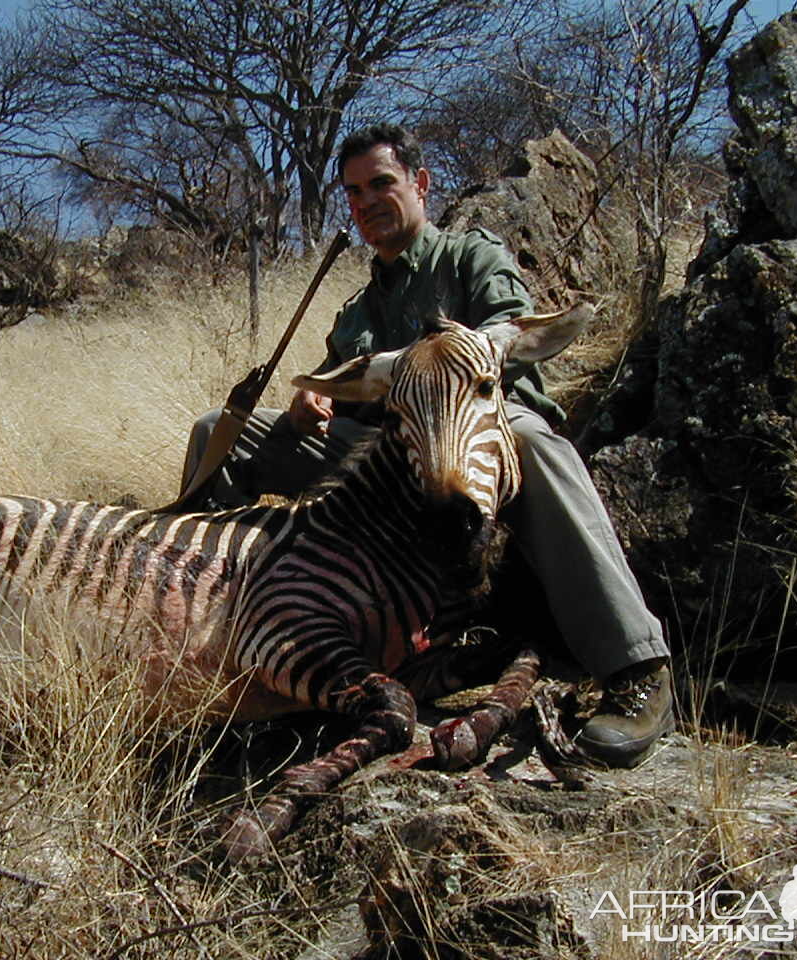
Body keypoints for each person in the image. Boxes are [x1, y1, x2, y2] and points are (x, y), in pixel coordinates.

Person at [181, 123, 673, 768]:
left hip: (478, 436)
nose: (367, 202)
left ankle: (636, 666)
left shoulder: (471, 257)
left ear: (419, 183)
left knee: (534, 440)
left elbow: (507, 329)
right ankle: (207, 621)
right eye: (354, 192)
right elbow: (338, 384)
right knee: (220, 428)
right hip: (389, 460)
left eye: (382, 183)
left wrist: (428, 371)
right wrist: (315, 402)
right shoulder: (357, 312)